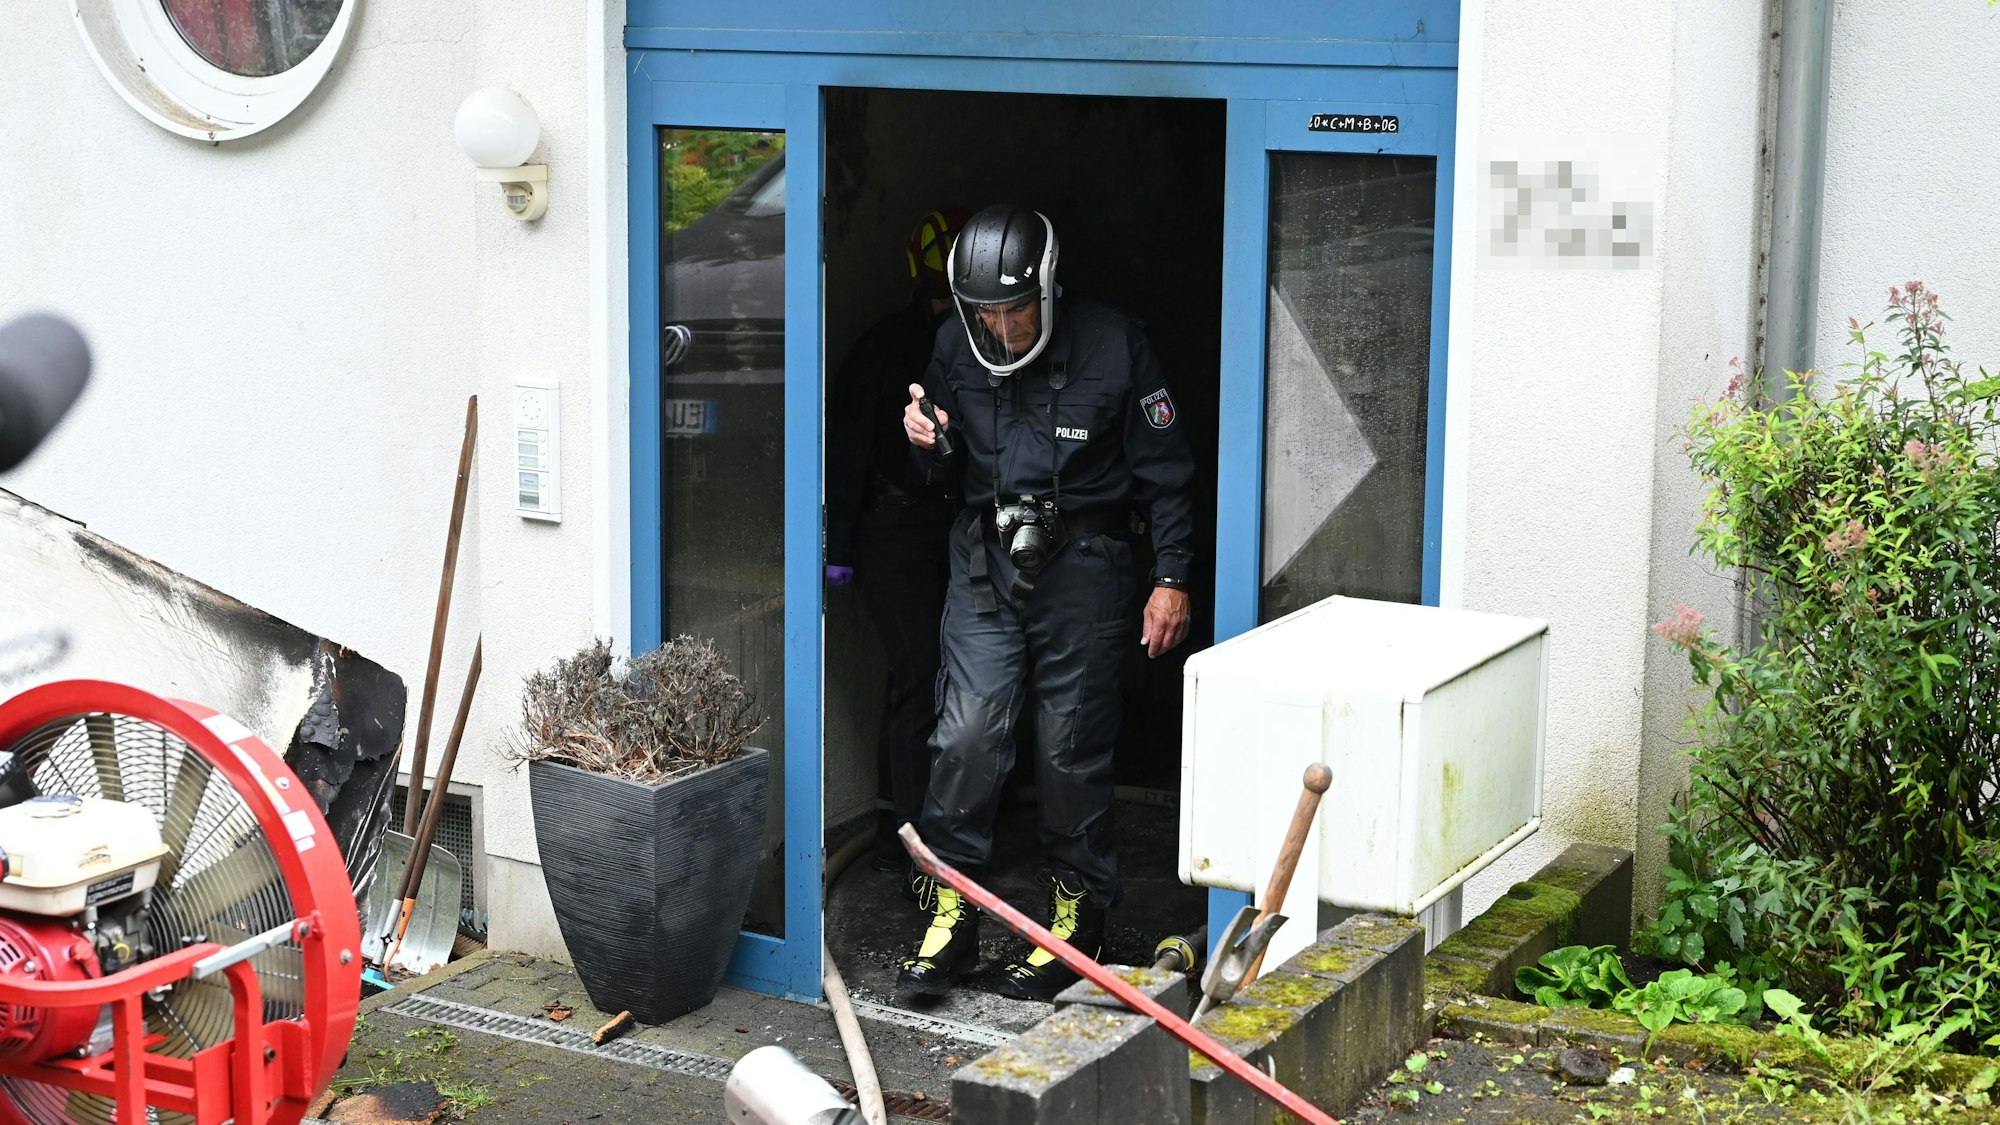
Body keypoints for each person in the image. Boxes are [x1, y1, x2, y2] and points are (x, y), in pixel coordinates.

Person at [895, 203, 1196, 1000]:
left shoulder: (1115, 343)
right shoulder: (957, 343)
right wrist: (927, 443)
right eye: (984, 314)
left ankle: (1077, 914)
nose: (1001, 328)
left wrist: (1172, 576)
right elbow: (940, 475)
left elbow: (1167, 470)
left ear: (1049, 288)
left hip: (1086, 564)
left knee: (1069, 745)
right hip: (985, 558)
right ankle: (949, 905)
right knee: (965, 732)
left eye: (1014, 310)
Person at [825, 208, 968, 884]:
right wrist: (841, 545)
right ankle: (906, 835)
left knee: (955, 676)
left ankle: (935, 826)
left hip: (958, 527)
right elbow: (850, 449)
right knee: (918, 670)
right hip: (894, 530)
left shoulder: (984, 346)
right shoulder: (883, 349)